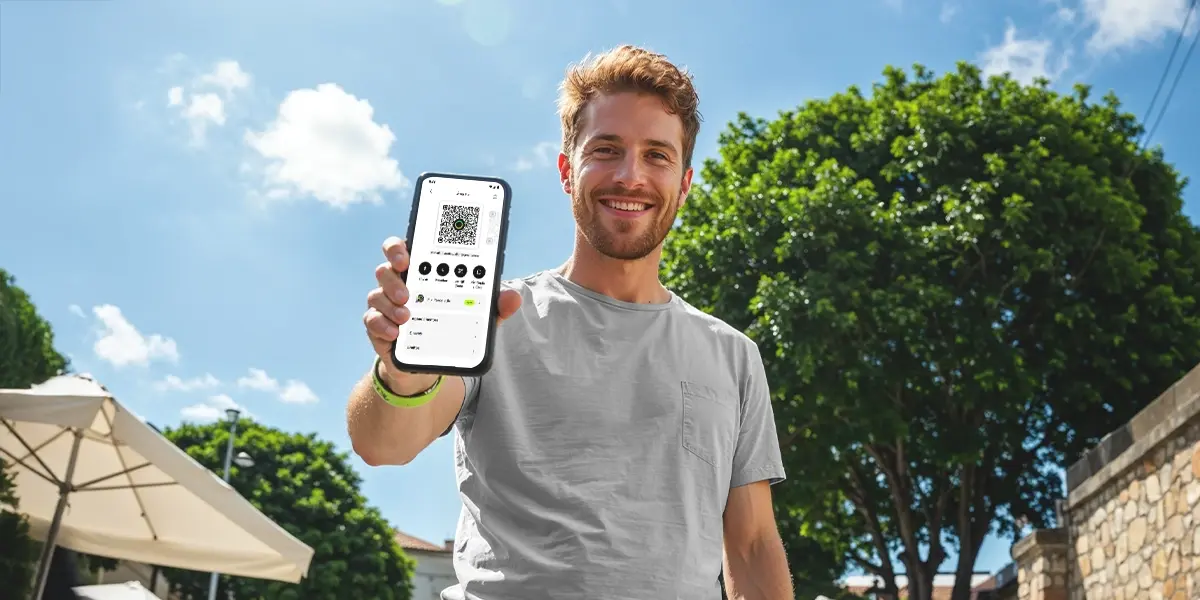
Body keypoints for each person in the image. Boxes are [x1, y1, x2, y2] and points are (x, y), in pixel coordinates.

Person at [347, 45, 792, 600]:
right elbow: (381, 445)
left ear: (684, 182)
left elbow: (750, 546)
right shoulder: (496, 317)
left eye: (657, 155)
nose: (631, 176)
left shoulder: (733, 355)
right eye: (607, 149)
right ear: (566, 169)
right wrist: (401, 368)